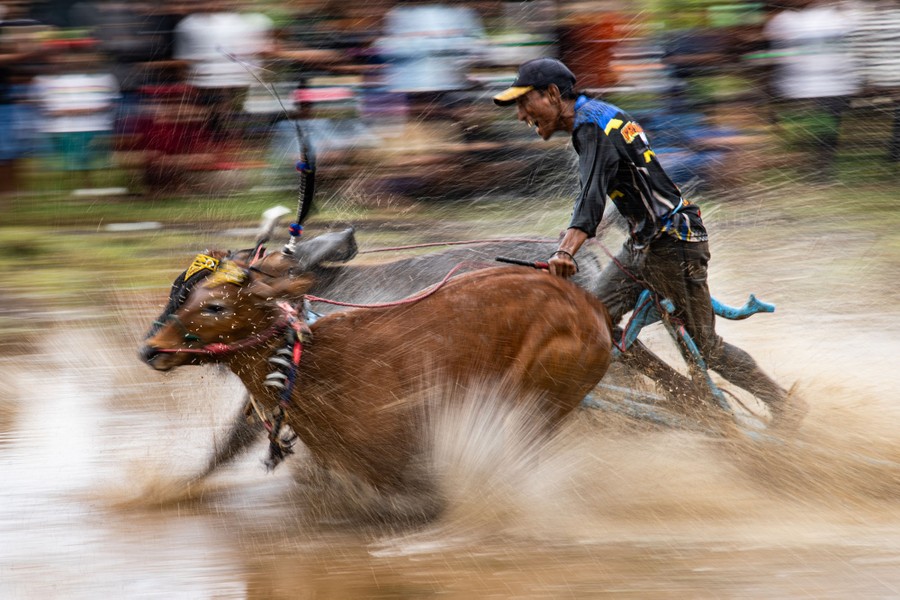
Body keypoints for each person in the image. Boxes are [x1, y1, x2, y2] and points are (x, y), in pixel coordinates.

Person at [493, 57, 802, 425]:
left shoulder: (592, 126)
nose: (521, 115)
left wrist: (566, 250)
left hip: (674, 244)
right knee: (596, 322)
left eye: (524, 102)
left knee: (707, 347)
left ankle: (782, 403)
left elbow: (592, 195)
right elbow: (625, 179)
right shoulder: (601, 115)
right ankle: (681, 391)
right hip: (644, 244)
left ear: (553, 94)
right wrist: (600, 224)